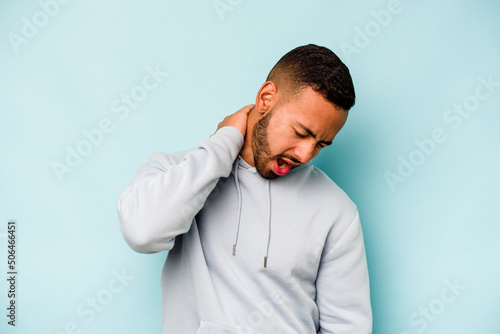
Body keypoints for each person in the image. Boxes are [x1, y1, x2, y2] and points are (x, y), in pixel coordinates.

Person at [117, 44, 372, 333]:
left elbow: (348, 327)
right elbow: (141, 232)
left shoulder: (336, 211)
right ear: (266, 98)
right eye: (301, 133)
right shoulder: (181, 173)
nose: (305, 154)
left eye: (321, 144)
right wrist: (222, 144)